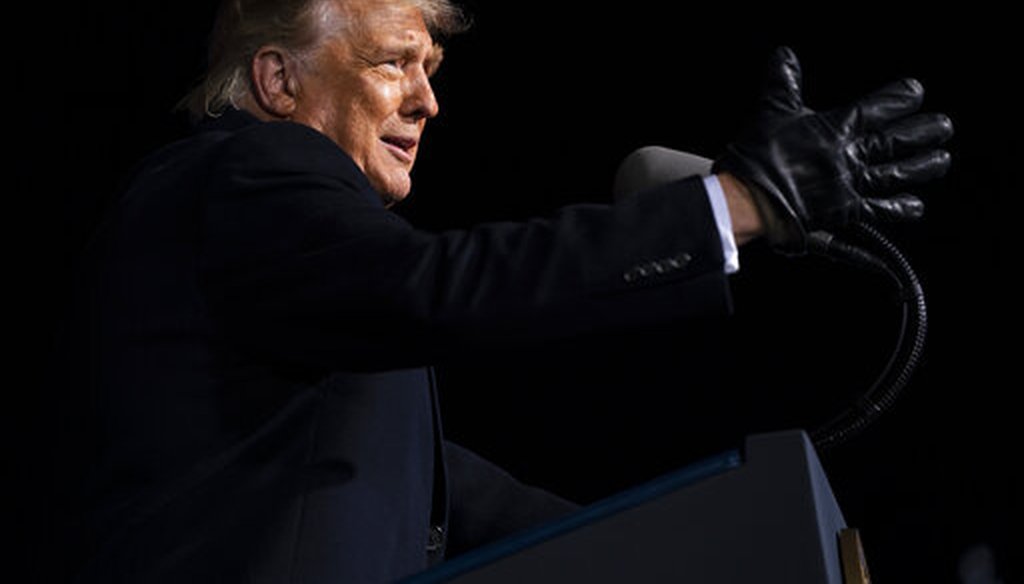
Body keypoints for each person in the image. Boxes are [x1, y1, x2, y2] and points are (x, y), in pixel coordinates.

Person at [45, 0, 954, 582]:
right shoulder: (247, 170)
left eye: (430, 73)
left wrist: (691, 542)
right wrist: (736, 205)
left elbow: (446, 495)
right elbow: (434, 287)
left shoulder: (289, 282)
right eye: (392, 62)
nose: (425, 102)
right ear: (278, 80)